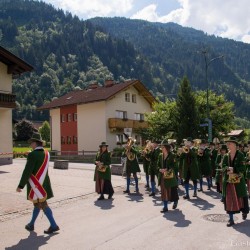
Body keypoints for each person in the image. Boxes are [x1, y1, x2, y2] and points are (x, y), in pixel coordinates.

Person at [16, 132, 59, 234]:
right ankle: (31, 224)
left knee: (43, 204)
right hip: (44, 183)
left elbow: (27, 171)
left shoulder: (32, 155)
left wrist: (20, 185)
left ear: (35, 143)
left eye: (31, 143)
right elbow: (37, 159)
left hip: (36, 185)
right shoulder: (46, 153)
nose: (30, 144)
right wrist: (29, 154)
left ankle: (53, 225)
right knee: (37, 204)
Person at [222, 137, 249, 226]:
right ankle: (231, 219)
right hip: (229, 180)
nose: (228, 145)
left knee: (240, 196)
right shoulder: (226, 155)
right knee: (229, 199)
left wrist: (234, 169)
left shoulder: (241, 155)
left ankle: (244, 212)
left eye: (229, 144)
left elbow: (243, 168)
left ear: (234, 145)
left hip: (237, 179)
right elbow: (223, 166)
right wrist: (227, 168)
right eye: (227, 144)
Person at [157, 139, 179, 213]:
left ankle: (175, 201)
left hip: (170, 176)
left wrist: (168, 169)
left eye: (163, 147)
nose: (162, 148)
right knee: (163, 191)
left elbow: (175, 166)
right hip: (162, 176)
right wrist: (160, 169)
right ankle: (165, 207)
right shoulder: (160, 155)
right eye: (161, 147)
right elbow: (158, 165)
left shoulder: (172, 155)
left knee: (172, 190)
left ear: (167, 147)